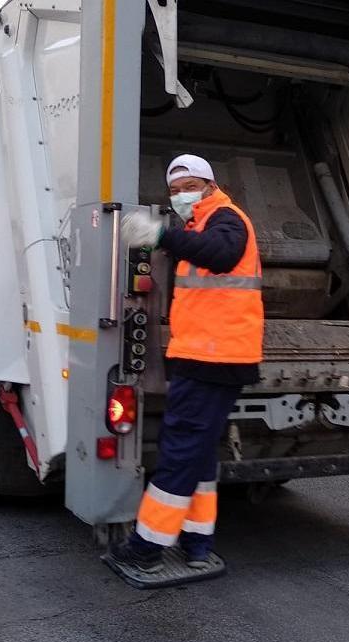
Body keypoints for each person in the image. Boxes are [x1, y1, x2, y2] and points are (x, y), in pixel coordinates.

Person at [110, 154, 264, 571]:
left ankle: (147, 547)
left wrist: (162, 235)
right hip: (208, 357)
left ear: (211, 186)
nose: (181, 196)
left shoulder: (226, 219)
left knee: (178, 452)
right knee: (197, 453)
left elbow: (221, 255)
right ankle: (197, 541)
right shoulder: (202, 223)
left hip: (212, 359)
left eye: (189, 187)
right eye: (174, 191)